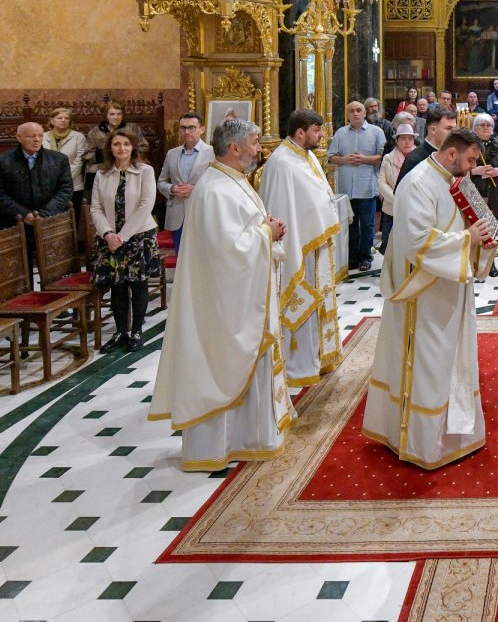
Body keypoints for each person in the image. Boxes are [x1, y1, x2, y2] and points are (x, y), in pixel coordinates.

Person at [148, 119, 295, 472]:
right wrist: (266, 231)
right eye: (256, 142)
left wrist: (266, 230)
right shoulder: (215, 189)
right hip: (223, 305)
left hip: (239, 296)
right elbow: (228, 250)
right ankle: (221, 445)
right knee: (223, 365)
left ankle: (248, 437)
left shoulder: (231, 181)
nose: (260, 148)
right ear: (235, 149)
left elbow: (241, 233)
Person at [363, 128, 497, 468]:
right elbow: (415, 241)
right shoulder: (418, 182)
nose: (471, 168)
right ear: (451, 154)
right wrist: (467, 239)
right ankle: (424, 441)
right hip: (424, 291)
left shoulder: (455, 180)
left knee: (454, 359)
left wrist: (486, 239)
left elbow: (469, 220)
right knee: (429, 362)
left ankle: (457, 430)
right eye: (468, 160)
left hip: (452, 283)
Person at [259, 109, 344, 388]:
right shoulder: (282, 163)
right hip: (298, 248)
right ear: (300, 133)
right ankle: (298, 365)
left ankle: (319, 357)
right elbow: (281, 208)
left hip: (314, 246)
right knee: (303, 304)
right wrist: (290, 248)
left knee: (318, 302)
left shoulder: (305, 156)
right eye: (317, 131)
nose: (321, 135)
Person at [90, 129, 161, 354]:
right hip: (109, 238)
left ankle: (137, 331)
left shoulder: (145, 171)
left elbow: (146, 205)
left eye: (126, 144)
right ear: (110, 148)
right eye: (117, 144)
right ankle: (121, 331)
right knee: (117, 285)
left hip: (138, 236)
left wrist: (123, 236)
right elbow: (96, 207)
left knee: (138, 284)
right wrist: (108, 234)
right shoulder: (102, 174)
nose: (121, 149)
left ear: (133, 147)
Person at [0, 122, 73, 282]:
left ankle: (56, 305)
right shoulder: (3, 160)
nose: (36, 139)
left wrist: (43, 215)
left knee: (55, 272)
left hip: (49, 222)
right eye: (31, 136)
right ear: (19, 137)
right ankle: (22, 305)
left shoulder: (58, 159)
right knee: (18, 274)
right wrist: (24, 214)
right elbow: (1, 194)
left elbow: (66, 190)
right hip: (14, 223)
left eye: (40, 135)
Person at [327, 101, 385, 273]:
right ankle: (352, 258)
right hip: (346, 188)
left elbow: (383, 156)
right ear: (347, 115)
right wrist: (345, 160)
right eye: (351, 111)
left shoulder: (376, 132)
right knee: (350, 225)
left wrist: (365, 159)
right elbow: (331, 157)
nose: (355, 114)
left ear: (365, 113)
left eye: (359, 110)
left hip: (366, 186)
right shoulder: (340, 133)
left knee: (367, 225)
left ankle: (365, 257)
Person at [158, 113, 214, 251]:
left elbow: (219, 185)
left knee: (201, 259)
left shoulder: (213, 153)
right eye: (182, 128)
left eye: (191, 127)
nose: (186, 131)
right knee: (180, 259)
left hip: (202, 213)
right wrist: (171, 189)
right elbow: (161, 182)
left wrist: (195, 189)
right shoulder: (172, 153)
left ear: (202, 129)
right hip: (177, 214)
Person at [84, 102, 148, 193]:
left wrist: (128, 157)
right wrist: (107, 156)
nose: (116, 117)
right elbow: (87, 153)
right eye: (112, 114)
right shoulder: (95, 131)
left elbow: (144, 147)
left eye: (119, 114)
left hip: (129, 163)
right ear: (106, 115)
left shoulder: (132, 128)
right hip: (104, 164)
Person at [378, 123, 417, 255]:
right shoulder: (388, 158)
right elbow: (382, 182)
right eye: (403, 138)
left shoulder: (420, 157)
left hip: (415, 207)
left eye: (410, 138)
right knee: (390, 245)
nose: (407, 142)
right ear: (397, 140)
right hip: (392, 208)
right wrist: (397, 200)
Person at [396, 104, 457, 188]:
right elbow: (401, 194)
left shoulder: (450, 154)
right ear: (433, 130)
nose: (454, 133)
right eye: (449, 128)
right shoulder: (415, 159)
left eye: (455, 129)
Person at [470, 113, 498, 223]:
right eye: (482, 125)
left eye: (488, 125)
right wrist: (475, 171)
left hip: (496, 192)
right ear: (475, 128)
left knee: (496, 225)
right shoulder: (469, 146)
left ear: (493, 128)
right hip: (477, 191)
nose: (485, 128)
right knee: (479, 224)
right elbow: (459, 169)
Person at [43, 108, 88, 215]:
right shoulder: (43, 137)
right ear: (52, 121)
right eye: (59, 118)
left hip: (73, 185)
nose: (63, 120)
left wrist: (63, 178)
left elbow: (79, 161)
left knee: (72, 218)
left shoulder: (78, 137)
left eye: (66, 118)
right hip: (48, 185)